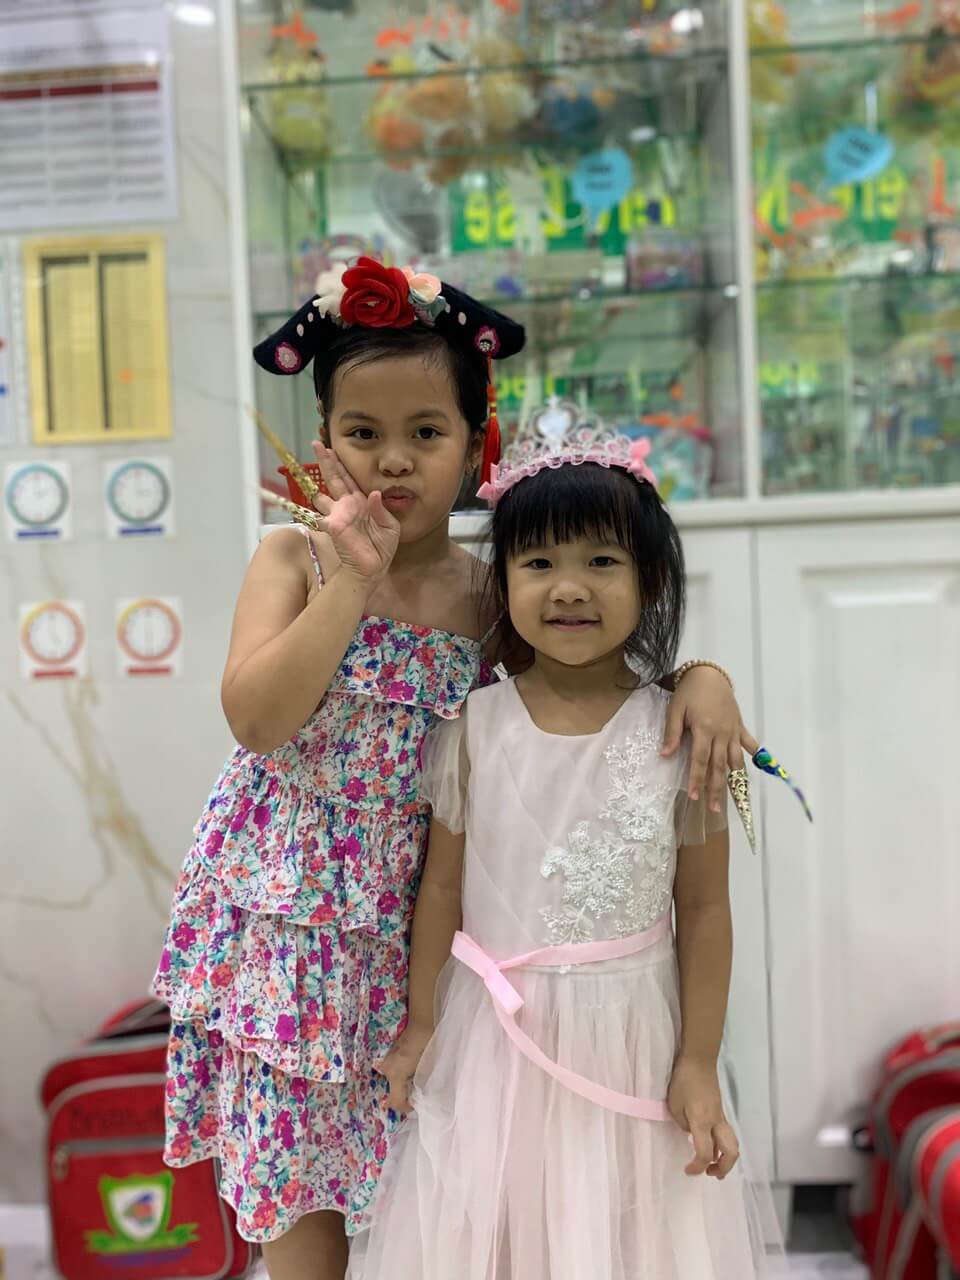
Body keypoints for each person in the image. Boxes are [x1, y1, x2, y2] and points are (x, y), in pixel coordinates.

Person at [151, 258, 758, 1280]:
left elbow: (589, 684)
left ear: (478, 446)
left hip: (427, 929)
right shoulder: (292, 560)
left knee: (433, 1196)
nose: (393, 459)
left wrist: (703, 676)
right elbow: (257, 719)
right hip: (294, 923)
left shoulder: (493, 593)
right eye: (363, 432)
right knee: (303, 1189)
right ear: (323, 438)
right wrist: (353, 582)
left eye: (426, 433)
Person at [349, 429, 781, 1279]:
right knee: (500, 1239)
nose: (570, 587)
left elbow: (704, 908)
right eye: (539, 563)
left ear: (651, 581)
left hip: (634, 1040)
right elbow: (441, 892)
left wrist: (698, 1061)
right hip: (492, 1046)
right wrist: (424, 1022)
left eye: (602, 561)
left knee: (630, 1240)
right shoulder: (472, 726)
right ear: (503, 582)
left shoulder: (683, 733)